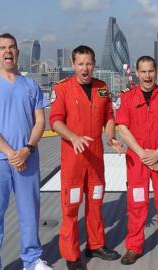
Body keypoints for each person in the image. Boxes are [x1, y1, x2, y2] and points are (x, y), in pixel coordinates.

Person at [0, 33, 52, 270]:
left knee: (30, 212)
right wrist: (10, 152)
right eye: (2, 48)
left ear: (17, 52)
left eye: (12, 47)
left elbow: (40, 121)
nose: (8, 51)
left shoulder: (30, 85)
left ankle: (32, 260)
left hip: (27, 158)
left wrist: (26, 149)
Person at [49, 45, 122, 270]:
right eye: (80, 64)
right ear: (73, 65)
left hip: (96, 159)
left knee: (95, 202)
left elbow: (109, 116)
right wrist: (73, 137)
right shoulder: (62, 89)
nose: (85, 68)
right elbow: (55, 121)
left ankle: (96, 244)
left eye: (89, 63)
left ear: (94, 64)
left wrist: (110, 137)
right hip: (73, 159)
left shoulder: (102, 88)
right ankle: (72, 255)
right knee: (70, 207)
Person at [115, 56, 158, 265]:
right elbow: (121, 128)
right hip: (137, 162)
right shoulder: (127, 97)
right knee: (136, 204)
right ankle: (134, 247)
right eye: (143, 71)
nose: (147, 75)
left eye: (150, 71)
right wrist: (144, 154)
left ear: (157, 71)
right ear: (136, 72)